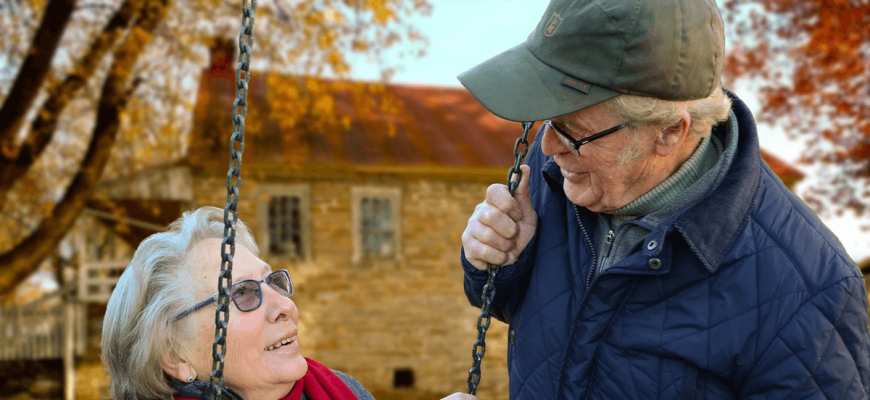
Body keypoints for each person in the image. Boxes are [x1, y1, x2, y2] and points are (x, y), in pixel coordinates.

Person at [457, 0, 870, 398]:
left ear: (670, 131)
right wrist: (499, 263)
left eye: (572, 129)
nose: (547, 146)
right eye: (549, 118)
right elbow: (537, 317)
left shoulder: (809, 291)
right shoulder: (560, 171)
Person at [101, 206, 375, 400]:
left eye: (271, 281)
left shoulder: (345, 391)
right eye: (242, 293)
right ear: (175, 356)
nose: (285, 308)